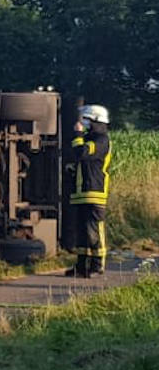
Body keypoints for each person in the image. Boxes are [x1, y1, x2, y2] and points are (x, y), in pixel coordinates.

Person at [67, 104, 113, 277]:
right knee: (81, 231)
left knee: (94, 230)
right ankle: (80, 266)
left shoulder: (101, 140)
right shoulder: (89, 138)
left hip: (95, 192)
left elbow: (83, 153)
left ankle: (97, 266)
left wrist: (78, 135)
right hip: (81, 193)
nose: (83, 123)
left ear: (96, 121)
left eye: (86, 119)